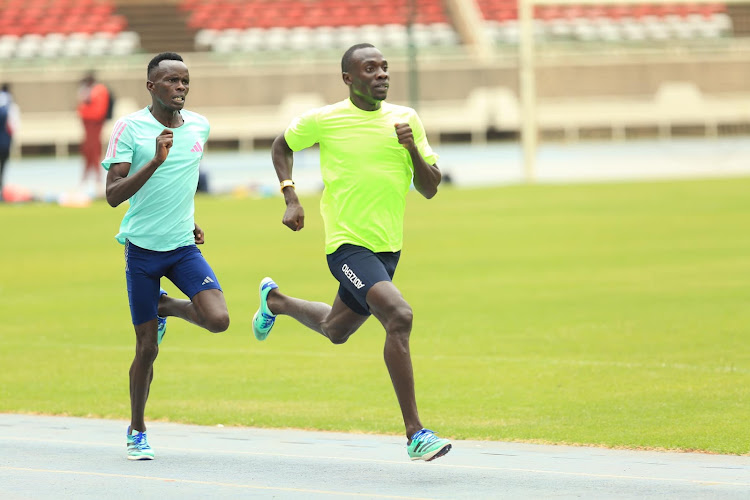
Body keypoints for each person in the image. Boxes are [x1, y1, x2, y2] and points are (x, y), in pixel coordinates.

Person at [255, 43, 451, 462]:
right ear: (348, 78)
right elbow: (281, 146)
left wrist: (411, 148)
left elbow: (431, 187)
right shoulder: (325, 120)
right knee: (398, 316)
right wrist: (290, 196)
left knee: (335, 330)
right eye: (370, 68)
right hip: (346, 246)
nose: (381, 74)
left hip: (387, 251)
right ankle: (416, 433)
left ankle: (276, 301)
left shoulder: (406, 120)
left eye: (384, 68)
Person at [102, 52, 230, 460]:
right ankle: (137, 429)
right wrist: (154, 161)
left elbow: (183, 181)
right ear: (151, 86)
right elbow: (112, 194)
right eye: (172, 81)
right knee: (146, 349)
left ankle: (165, 308)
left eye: (185, 80)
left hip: (182, 247)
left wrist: (190, 218)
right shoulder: (130, 128)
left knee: (218, 319)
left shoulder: (199, 126)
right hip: (142, 252)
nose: (180, 87)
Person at [78, 71, 110, 190]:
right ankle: (87, 177)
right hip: (87, 124)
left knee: (94, 149)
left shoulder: (99, 90)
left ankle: (97, 178)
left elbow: (97, 110)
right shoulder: (89, 90)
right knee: (87, 150)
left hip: (94, 123)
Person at [0, 83, 20, 202]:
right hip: (5, 142)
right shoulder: (11, 106)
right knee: (2, 169)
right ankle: (1, 193)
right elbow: (14, 126)